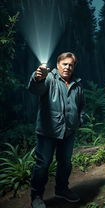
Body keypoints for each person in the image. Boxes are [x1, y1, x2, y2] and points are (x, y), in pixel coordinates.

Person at [28, 52, 85, 208]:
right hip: (48, 131)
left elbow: (81, 106)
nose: (67, 67)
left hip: (69, 132)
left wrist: (79, 120)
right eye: (64, 64)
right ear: (58, 65)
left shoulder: (77, 83)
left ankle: (62, 189)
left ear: (74, 67)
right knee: (43, 164)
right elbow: (35, 89)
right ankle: (37, 196)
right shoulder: (49, 78)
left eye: (71, 65)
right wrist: (38, 76)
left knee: (65, 163)